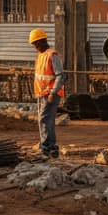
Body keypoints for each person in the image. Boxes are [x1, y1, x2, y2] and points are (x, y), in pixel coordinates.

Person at [29, 28, 65, 159]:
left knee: (44, 119)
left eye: (36, 43)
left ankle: (46, 147)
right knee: (46, 120)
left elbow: (60, 76)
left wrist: (53, 92)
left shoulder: (52, 55)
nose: (35, 46)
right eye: (34, 44)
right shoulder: (41, 55)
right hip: (42, 94)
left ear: (42, 41)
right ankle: (51, 147)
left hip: (50, 94)